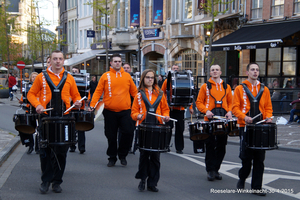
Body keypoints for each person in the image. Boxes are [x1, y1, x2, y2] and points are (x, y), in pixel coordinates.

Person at [27, 50, 82, 194]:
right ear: (50, 60)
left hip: (64, 118)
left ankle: (57, 181)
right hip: (46, 118)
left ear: (63, 61)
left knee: (62, 150)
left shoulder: (69, 77)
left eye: (60, 59)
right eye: (55, 59)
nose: (58, 61)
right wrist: (37, 104)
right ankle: (45, 180)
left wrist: (77, 103)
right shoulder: (41, 77)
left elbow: (76, 95)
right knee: (45, 150)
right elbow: (31, 94)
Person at [89, 53, 138, 167]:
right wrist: (92, 105)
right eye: (115, 61)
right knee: (111, 136)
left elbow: (135, 93)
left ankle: (123, 155)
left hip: (125, 110)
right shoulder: (105, 76)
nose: (117, 63)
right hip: (109, 111)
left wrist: (141, 105)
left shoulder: (127, 76)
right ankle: (112, 157)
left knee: (128, 132)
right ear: (111, 63)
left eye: (119, 61)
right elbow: (97, 92)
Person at [232, 62, 273, 196]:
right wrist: (244, 117)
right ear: (247, 72)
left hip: (260, 127)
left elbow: (267, 107)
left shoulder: (264, 89)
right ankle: (242, 178)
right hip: (246, 127)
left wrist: (268, 117)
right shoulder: (240, 88)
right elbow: (235, 108)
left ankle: (256, 187)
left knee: (260, 159)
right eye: (252, 70)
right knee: (246, 158)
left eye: (257, 70)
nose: (255, 72)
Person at [131, 69, 170, 192]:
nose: (150, 79)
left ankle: (152, 183)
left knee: (155, 157)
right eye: (147, 77)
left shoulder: (160, 94)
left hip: (157, 127)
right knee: (144, 156)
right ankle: (142, 180)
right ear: (143, 79)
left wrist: (166, 116)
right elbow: (133, 112)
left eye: (152, 78)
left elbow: (165, 110)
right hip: (143, 127)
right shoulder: (138, 95)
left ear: (154, 80)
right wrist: (137, 116)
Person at [196, 64, 233, 181]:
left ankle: (216, 169)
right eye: (213, 70)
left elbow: (231, 102)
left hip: (223, 120)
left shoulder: (226, 87)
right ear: (210, 73)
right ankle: (210, 170)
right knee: (210, 145)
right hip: (209, 120)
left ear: (220, 72)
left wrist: (230, 112)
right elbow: (199, 102)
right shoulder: (205, 86)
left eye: (217, 69)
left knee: (222, 146)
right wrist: (206, 111)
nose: (215, 71)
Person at [161, 65, 193, 154]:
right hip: (169, 109)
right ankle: (166, 146)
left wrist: (190, 107)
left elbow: (189, 94)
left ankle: (179, 148)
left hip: (180, 109)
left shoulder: (184, 81)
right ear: (171, 70)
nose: (175, 70)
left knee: (180, 129)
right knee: (168, 128)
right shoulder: (167, 81)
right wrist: (165, 102)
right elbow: (162, 93)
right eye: (174, 69)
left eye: (177, 69)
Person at [18, 72, 39, 154]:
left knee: (39, 130)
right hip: (29, 110)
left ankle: (38, 147)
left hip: (37, 110)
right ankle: (30, 145)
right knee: (28, 128)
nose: (34, 78)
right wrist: (21, 101)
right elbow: (23, 98)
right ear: (30, 78)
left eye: (36, 77)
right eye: (33, 77)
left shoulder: (40, 87)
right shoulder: (27, 87)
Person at [69, 67, 86, 154]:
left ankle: (82, 147)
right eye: (73, 71)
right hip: (71, 108)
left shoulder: (83, 82)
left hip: (80, 108)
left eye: (76, 71)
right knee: (71, 128)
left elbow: (87, 94)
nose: (74, 72)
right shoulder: (69, 82)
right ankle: (72, 145)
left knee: (81, 128)